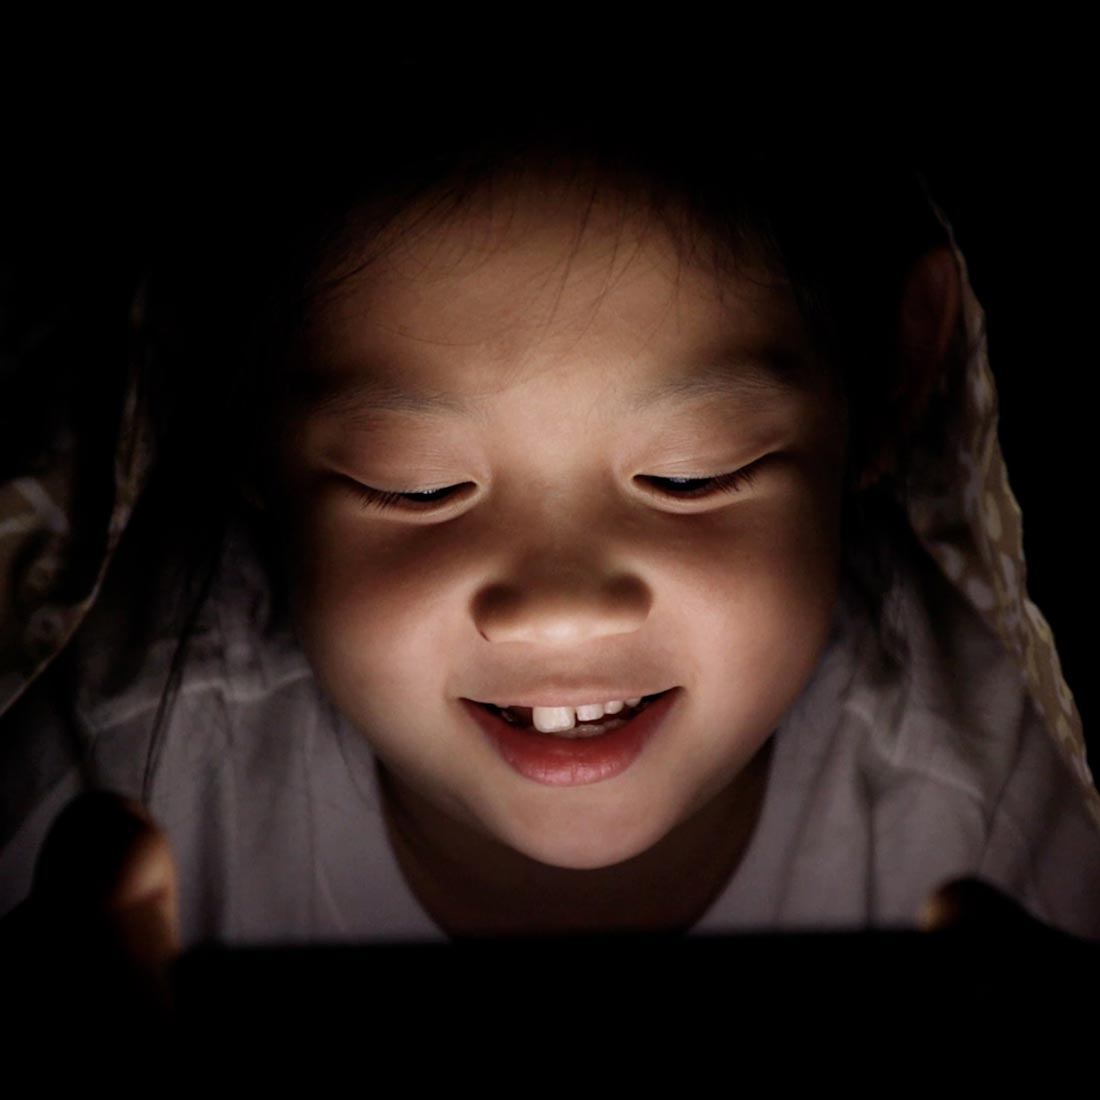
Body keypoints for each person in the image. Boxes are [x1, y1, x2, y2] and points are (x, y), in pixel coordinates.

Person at [2, 86, 1099, 978]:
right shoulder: (116, 777)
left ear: (888, 378)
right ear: (242, 416)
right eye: (416, 486)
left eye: (691, 474)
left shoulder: (989, 797)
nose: (563, 607)